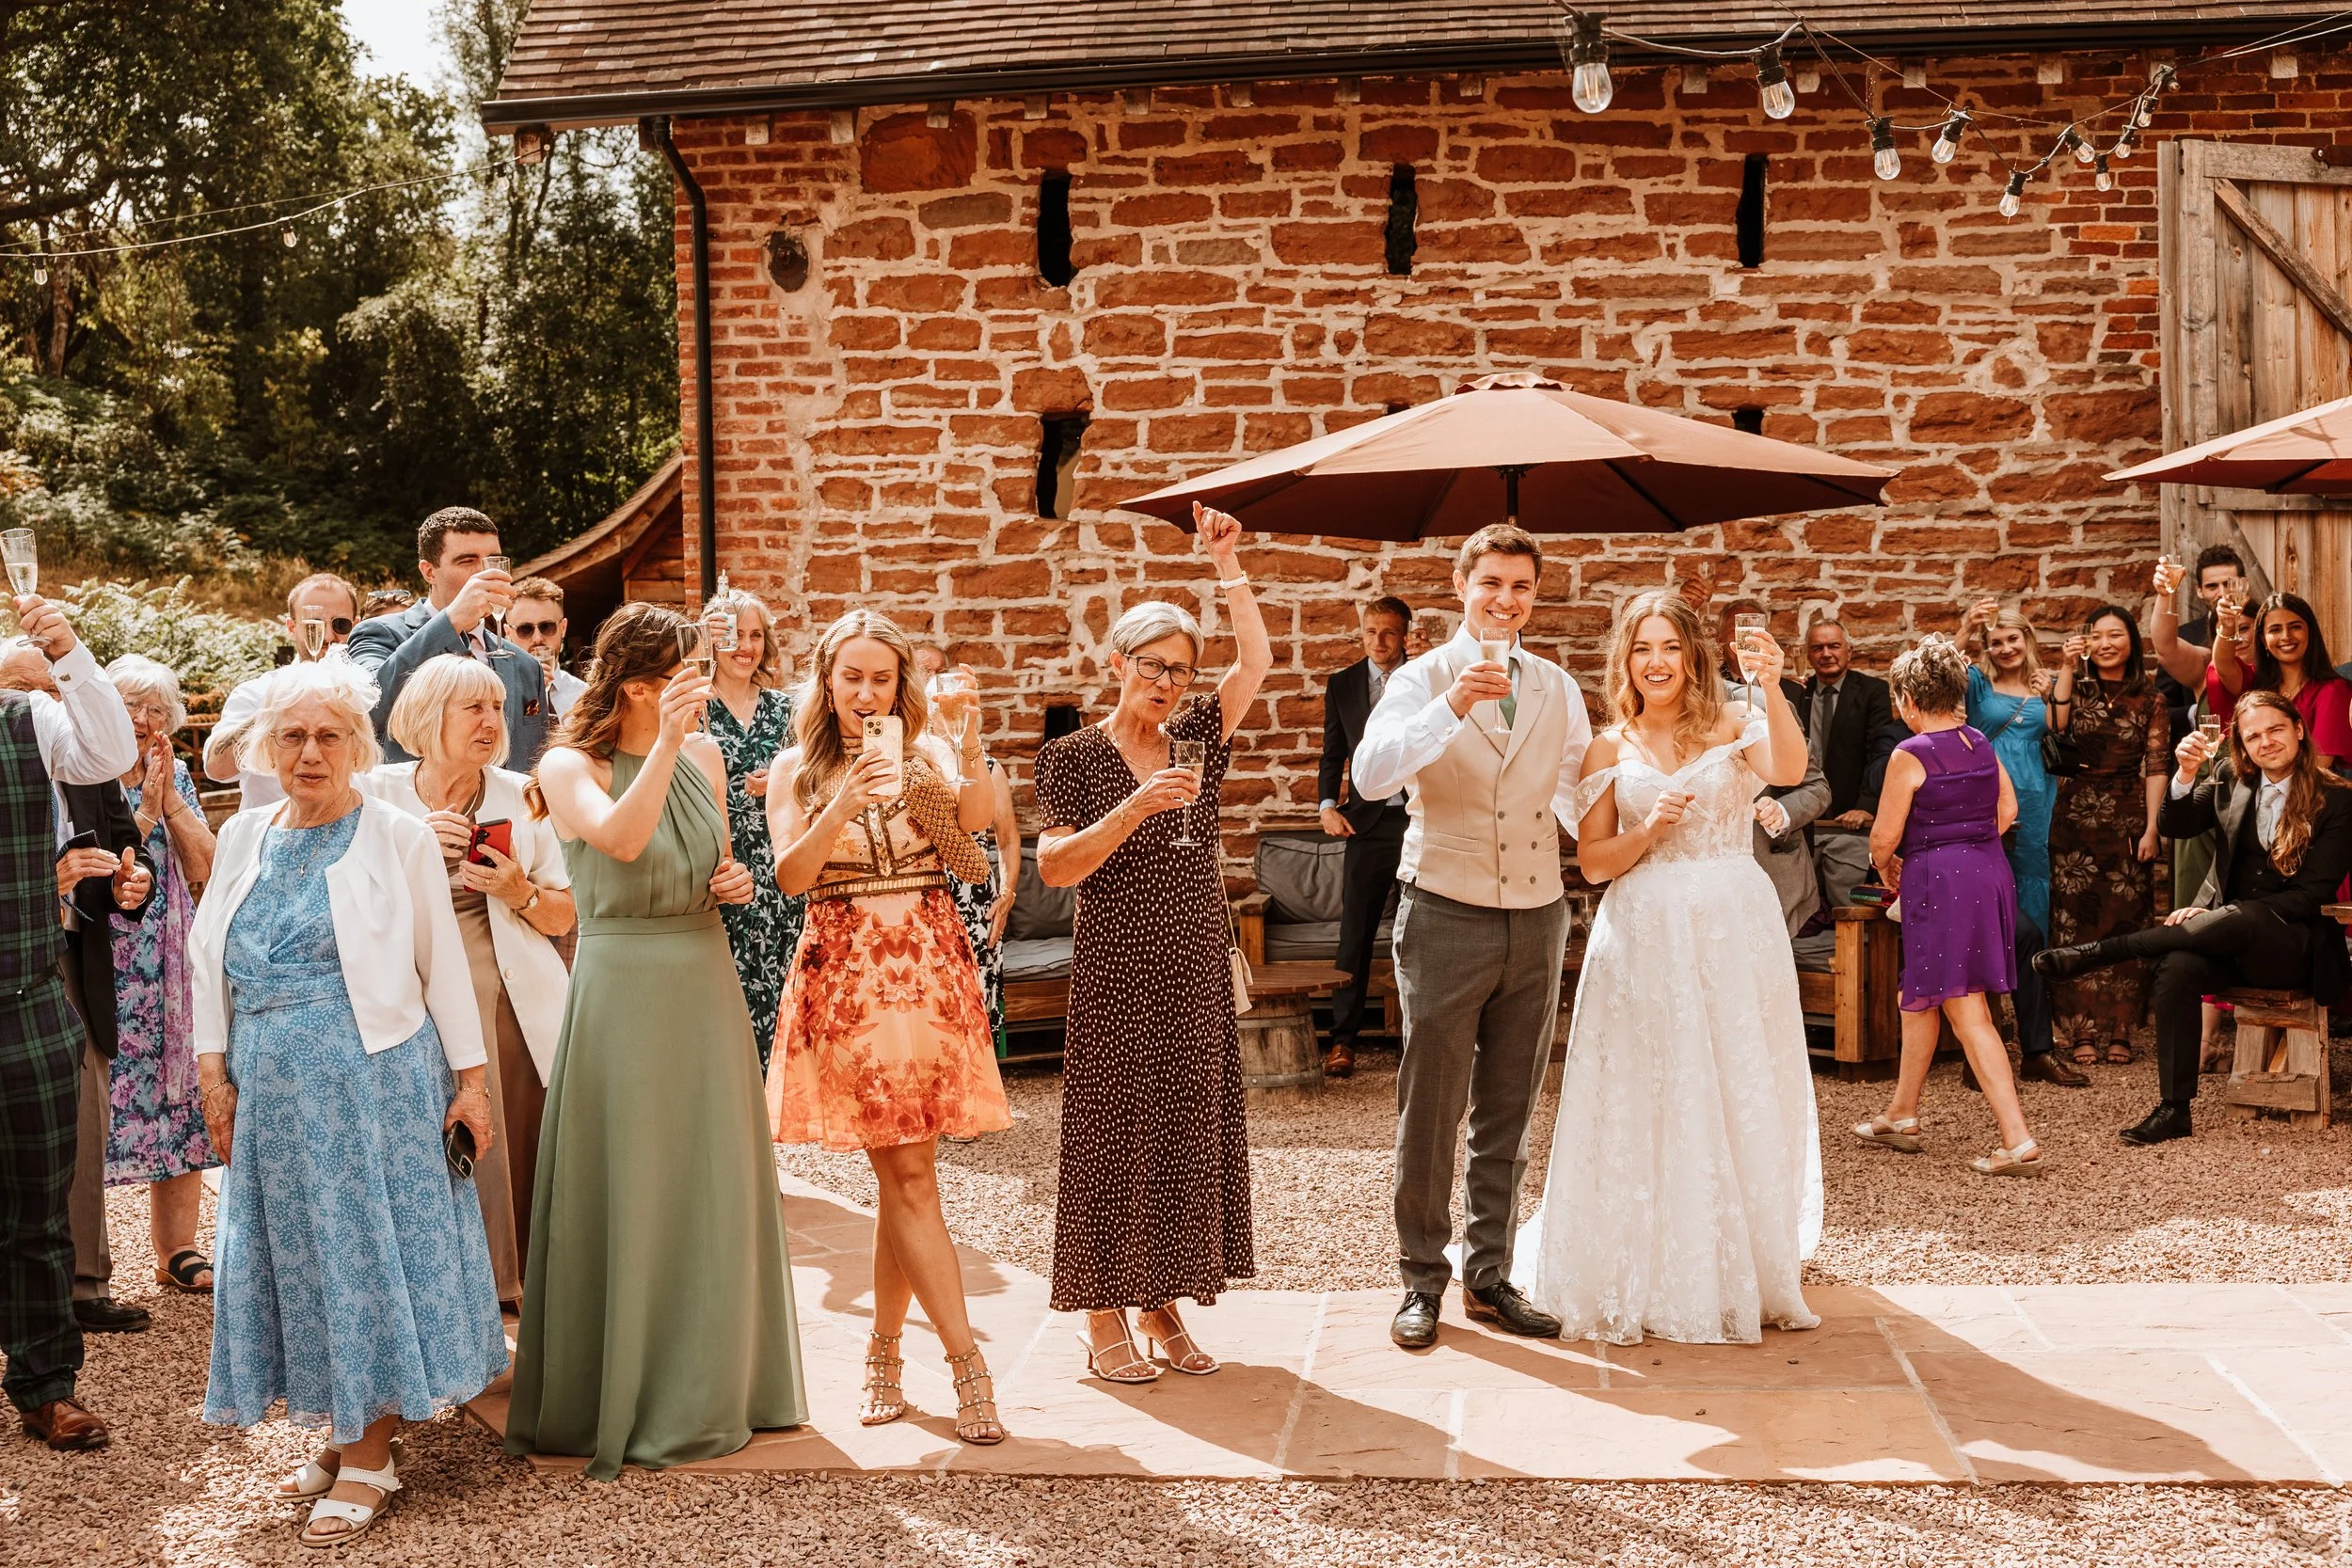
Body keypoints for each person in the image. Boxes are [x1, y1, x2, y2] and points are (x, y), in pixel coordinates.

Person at [190, 659, 506, 1544]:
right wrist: (213, 1070)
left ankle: (371, 1453)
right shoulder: (247, 833)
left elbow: (442, 965)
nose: (310, 751)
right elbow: (204, 957)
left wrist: (471, 1085)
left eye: (330, 735)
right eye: (292, 735)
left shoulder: (394, 834)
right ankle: (342, 1428)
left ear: (359, 747)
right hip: (272, 1090)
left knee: (362, 1254)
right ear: (265, 747)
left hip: (372, 1087)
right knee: (299, 1257)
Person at [508, 604, 803, 1481]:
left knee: (709, 1179)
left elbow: (702, 857)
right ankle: (629, 1389)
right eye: (689, 674)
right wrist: (667, 743)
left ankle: (723, 1384)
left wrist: (732, 876)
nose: (706, 689)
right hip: (624, 987)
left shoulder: (709, 757)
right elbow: (624, 839)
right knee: (636, 1179)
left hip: (702, 973)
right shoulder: (568, 765)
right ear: (640, 685)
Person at [1519, 591, 1817, 1343]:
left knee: (1735, 1079)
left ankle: (1742, 1262)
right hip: (1646, 932)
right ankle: (1652, 1263)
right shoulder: (1607, 747)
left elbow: (1787, 766)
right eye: (1642, 649)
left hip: (1733, 927)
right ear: (1626, 660)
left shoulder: (1735, 722)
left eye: (1670, 648)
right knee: (1653, 1085)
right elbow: (1592, 864)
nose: (1656, 663)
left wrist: (1773, 684)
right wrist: (1648, 828)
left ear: (1694, 655)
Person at [1034, 503, 1273, 1377]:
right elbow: (1056, 866)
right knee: (1110, 1132)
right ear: (1117, 665)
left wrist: (1227, 567)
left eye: (1180, 671)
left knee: (1180, 1131)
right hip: (1117, 969)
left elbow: (1259, 661)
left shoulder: (1200, 737)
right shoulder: (1071, 756)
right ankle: (1102, 1309)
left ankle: (1162, 1299)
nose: (1168, 683)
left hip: (1193, 963)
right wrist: (1134, 809)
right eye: (1153, 666)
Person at [1351, 524, 1594, 1351]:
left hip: (1537, 913)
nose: (1506, 600)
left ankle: (1490, 1273)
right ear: (1462, 585)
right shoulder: (1421, 679)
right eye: (1491, 582)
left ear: (1535, 593)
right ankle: (1422, 1276)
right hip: (1444, 908)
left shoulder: (1558, 684)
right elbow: (1372, 776)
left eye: (1521, 586)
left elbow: (1572, 790)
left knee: (1509, 1108)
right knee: (1433, 1105)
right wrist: (1452, 707)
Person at [769, 610, 1010, 1438]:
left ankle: (882, 1353)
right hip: (850, 985)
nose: (867, 694)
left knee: (901, 1181)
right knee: (909, 1179)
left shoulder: (927, 758)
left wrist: (963, 744)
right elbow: (792, 875)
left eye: (881, 679)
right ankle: (967, 1367)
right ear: (827, 681)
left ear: (899, 685)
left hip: (930, 976)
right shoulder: (795, 769)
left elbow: (974, 858)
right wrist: (842, 800)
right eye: (852, 678)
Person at [2037, 690, 2352, 1145]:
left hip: (2294, 948)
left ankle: (2099, 953)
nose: (2266, 742)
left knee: (2246, 916)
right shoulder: (2230, 778)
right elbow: (2175, 824)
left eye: (2276, 730)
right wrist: (2184, 774)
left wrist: (2223, 915)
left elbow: (2310, 895)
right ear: (2241, 745)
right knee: (2177, 967)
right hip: (2230, 940)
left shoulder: (2338, 798)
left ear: (2299, 730)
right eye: (2253, 736)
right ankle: (2173, 1108)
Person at [373, 654, 577, 1305]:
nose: (493, 721)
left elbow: (566, 912)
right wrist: (411, 851)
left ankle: (508, 1280)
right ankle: (431, 1280)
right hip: (404, 988)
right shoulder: (376, 796)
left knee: (510, 1122)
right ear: (430, 717)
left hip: (508, 983)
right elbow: (346, 907)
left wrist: (518, 890)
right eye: (475, 708)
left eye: (497, 707)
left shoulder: (525, 795)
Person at [0, 593, 139, 1451]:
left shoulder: (29, 721)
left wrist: (69, 651)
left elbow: (111, 750)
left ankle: (47, 1384)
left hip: (27, 1001)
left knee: (38, 1212)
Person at [1853, 637, 2048, 1175]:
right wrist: (1969, 844)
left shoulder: (1909, 754)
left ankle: (2016, 1138)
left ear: (1909, 701)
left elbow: (1882, 837)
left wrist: (1894, 861)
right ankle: (1902, 1113)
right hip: (1986, 873)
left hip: (1939, 882)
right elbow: (2007, 809)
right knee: (1918, 995)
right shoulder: (1978, 742)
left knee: (1965, 1007)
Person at [100, 656, 223, 1296]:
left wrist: (170, 798)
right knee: (97, 1099)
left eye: (154, 709)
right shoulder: (83, 770)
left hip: (171, 962)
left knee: (180, 1099)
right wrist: (142, 809)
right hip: (104, 958)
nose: (142, 720)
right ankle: (87, 1261)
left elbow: (211, 867)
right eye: (128, 705)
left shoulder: (173, 775)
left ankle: (176, 1247)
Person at [1955, 600, 2089, 1088]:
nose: (2006, 648)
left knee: (2027, 919)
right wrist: (1968, 627)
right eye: (1998, 641)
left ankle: (2034, 1049)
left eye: (2014, 639)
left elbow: (2059, 731)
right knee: (1983, 920)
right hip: (1982, 804)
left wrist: (2058, 684)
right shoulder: (1977, 682)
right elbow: (1943, 673)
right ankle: (1982, 1048)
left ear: (2029, 640)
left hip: (2034, 807)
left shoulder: (2046, 683)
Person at [2045, 606, 2170, 1067]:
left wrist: (2153, 826)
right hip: (2075, 817)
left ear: (2132, 642)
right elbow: (2055, 728)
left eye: (2115, 635)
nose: (2105, 643)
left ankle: (2120, 1027)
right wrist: (2064, 666)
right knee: (2074, 922)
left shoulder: (2151, 698)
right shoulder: (2074, 688)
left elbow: (2157, 767)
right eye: (2096, 636)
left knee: (2127, 923)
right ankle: (2080, 1029)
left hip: (2127, 815)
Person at [348, 506, 550, 768]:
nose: (483, 573)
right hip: (414, 805)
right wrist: (452, 621)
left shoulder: (525, 664)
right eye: (467, 561)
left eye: (492, 560)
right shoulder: (379, 633)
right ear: (429, 571)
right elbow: (367, 709)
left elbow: (536, 758)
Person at [704, 586, 803, 1071]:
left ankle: (784, 1091)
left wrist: (788, 783)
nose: (746, 647)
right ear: (711, 639)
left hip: (781, 859)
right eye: (734, 636)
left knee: (785, 976)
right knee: (731, 980)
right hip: (723, 865)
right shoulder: (693, 709)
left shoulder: (786, 710)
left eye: (755, 636)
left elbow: (819, 777)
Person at [1316, 594, 1412, 1077]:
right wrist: (1328, 805)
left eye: (1389, 632)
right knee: (1355, 931)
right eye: (1371, 631)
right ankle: (1343, 1040)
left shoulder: (1429, 677)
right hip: (1366, 824)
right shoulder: (1343, 684)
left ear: (1405, 635)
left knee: (1422, 932)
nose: (1379, 641)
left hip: (1420, 820)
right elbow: (1333, 753)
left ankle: (1418, 1038)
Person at [1716, 602, 1831, 964]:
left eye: (1755, 636)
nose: (1747, 645)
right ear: (1720, 644)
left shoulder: (1774, 701)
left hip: (1772, 877)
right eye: (1738, 638)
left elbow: (1817, 787)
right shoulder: (1690, 703)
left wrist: (1782, 810)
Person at [204, 571, 361, 811]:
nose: (328, 636)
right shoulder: (256, 693)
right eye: (316, 623)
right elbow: (216, 768)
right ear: (291, 626)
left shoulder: (366, 693)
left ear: (356, 627)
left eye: (340, 624)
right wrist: (276, 708)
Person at [1799, 619, 1896, 903]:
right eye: (1817, 647)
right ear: (1808, 654)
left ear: (1849, 651)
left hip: (1851, 820)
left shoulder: (1872, 691)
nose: (1826, 653)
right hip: (1806, 822)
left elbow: (1879, 755)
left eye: (1834, 646)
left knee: (1849, 909)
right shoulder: (1796, 694)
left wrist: (1866, 808)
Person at [2205, 589, 2352, 771]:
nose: (2286, 636)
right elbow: (2223, 666)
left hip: (2309, 794)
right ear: (2263, 640)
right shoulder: (2254, 683)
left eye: (2295, 627)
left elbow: (2319, 766)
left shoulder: (2333, 690)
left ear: (2310, 632)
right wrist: (2227, 627)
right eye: (2275, 629)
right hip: (2255, 790)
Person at [2149, 546, 2242, 743]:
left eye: (2228, 584)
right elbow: (2165, 647)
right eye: (2212, 586)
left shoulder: (2265, 628)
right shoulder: (2188, 639)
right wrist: (2165, 595)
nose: (2222, 593)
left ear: (2243, 585)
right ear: (2199, 591)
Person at [507, 577, 587, 717]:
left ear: (563, 628)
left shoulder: (584, 696)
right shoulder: (499, 695)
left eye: (547, 627)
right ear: (508, 633)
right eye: (525, 629)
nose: (538, 638)